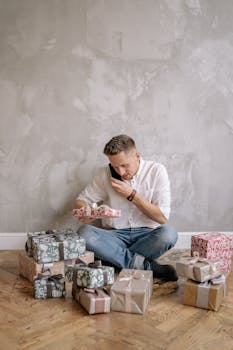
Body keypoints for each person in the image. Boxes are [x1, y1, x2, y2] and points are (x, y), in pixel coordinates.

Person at [75, 134, 178, 281]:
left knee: (169, 234)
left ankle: (113, 259)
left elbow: (161, 217)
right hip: (115, 236)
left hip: (147, 236)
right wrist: (87, 211)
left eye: (124, 165)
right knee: (83, 233)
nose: (121, 172)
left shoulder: (156, 171)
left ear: (137, 156)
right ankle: (146, 266)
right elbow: (81, 201)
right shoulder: (104, 173)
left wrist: (132, 195)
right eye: (115, 166)